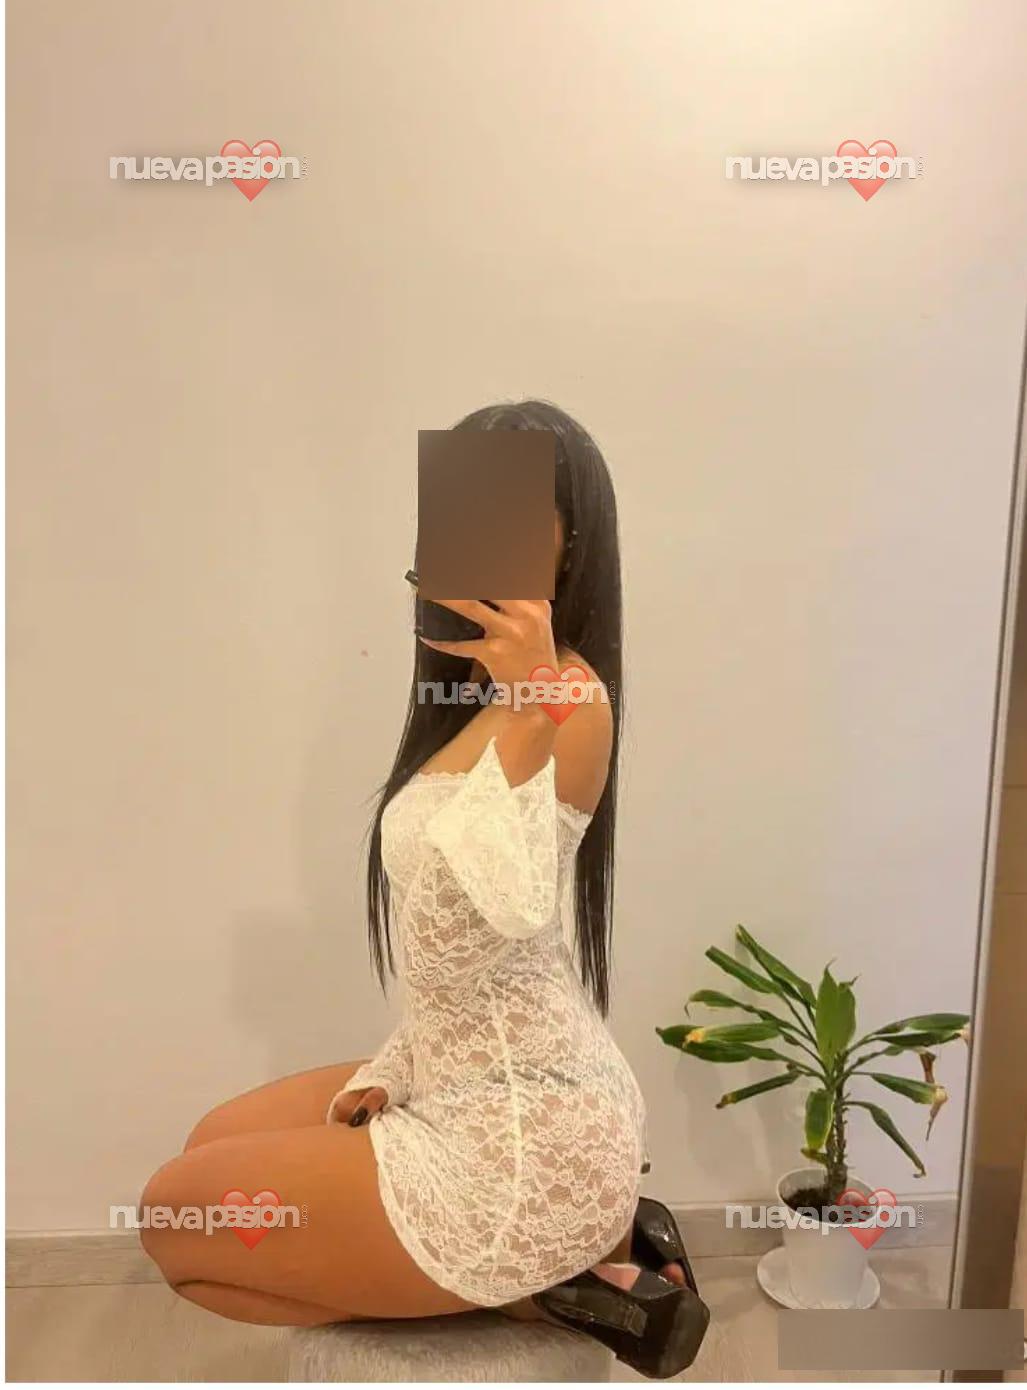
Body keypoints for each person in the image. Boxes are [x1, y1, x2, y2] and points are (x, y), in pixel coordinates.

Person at [140, 401, 703, 1377]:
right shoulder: (469, 695)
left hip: (530, 1128)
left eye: (509, 515)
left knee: (172, 1221)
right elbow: (462, 955)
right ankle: (553, 1278)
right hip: (460, 1060)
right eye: (459, 511)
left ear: (570, 544)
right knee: (208, 1148)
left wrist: (528, 698)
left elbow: (510, 904)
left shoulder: (568, 697)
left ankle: (538, 1266)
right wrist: (398, 1064)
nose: (476, 539)